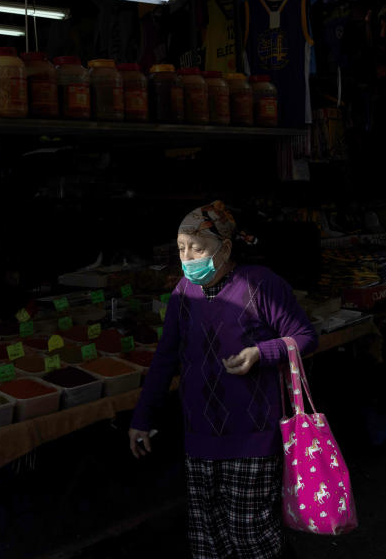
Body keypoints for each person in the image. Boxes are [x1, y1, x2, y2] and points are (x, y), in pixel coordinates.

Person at [129, 201, 317, 559]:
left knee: (252, 538)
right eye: (182, 249)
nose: (188, 258)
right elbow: (165, 359)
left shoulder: (260, 284)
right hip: (199, 434)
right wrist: (142, 417)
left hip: (254, 435)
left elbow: (305, 335)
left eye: (197, 249)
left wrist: (262, 352)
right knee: (208, 540)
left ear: (225, 248)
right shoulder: (183, 293)